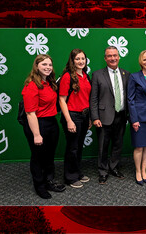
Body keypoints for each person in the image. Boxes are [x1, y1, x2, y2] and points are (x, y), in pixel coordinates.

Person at [21, 54, 66, 199]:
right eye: (44, 65)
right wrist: (36, 134)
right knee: (38, 157)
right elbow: (30, 114)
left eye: (49, 65)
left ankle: (49, 181)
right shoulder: (31, 86)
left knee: (49, 156)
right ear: (37, 66)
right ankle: (39, 186)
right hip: (37, 124)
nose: (47, 67)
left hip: (51, 122)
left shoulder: (49, 83)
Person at [90, 46, 130, 184]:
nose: (113, 58)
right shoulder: (97, 75)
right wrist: (95, 117)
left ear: (119, 57)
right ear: (105, 58)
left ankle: (114, 167)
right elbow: (93, 98)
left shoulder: (126, 74)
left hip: (121, 115)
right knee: (103, 146)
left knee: (118, 144)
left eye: (115, 55)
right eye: (109, 56)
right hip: (103, 117)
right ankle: (102, 171)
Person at [59, 48, 92, 189]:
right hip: (72, 115)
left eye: (82, 59)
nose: (80, 61)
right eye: (77, 59)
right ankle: (70, 177)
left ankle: (77, 172)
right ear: (72, 61)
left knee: (78, 147)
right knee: (72, 147)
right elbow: (61, 100)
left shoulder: (85, 75)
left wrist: (89, 118)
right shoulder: (67, 76)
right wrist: (69, 120)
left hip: (84, 116)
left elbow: (86, 98)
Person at [127, 49, 146, 186]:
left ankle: (144, 171)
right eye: (145, 59)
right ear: (141, 61)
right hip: (138, 117)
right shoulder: (134, 77)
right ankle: (138, 172)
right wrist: (134, 119)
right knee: (139, 147)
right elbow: (130, 99)